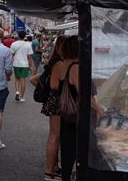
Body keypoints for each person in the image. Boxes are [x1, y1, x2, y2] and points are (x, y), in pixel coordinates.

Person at [31, 35, 65, 181]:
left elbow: (34, 79)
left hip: (54, 102)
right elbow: (55, 85)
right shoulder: (59, 63)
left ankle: (54, 167)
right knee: (55, 136)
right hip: (59, 102)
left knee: (56, 136)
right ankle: (49, 171)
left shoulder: (53, 61)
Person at [50, 35, 79, 181]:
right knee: (73, 145)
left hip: (62, 108)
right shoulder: (75, 67)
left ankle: (60, 173)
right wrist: (99, 109)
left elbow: (53, 86)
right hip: (75, 112)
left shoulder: (59, 65)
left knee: (63, 142)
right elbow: (84, 95)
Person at [10, 31, 35, 102]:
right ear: (25, 36)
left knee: (17, 79)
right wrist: (31, 66)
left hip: (16, 64)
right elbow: (29, 57)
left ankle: (17, 92)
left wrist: (11, 64)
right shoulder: (27, 45)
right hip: (24, 65)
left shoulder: (13, 44)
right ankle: (21, 97)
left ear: (18, 35)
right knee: (23, 80)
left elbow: (11, 55)